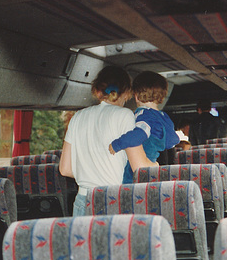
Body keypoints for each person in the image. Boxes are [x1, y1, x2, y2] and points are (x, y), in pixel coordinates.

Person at [59, 66, 156, 216]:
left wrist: (90, 173)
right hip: (111, 200)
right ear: (126, 93)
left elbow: (65, 168)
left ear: (98, 92)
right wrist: (156, 164)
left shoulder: (77, 117)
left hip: (82, 201)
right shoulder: (124, 115)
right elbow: (139, 166)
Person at [108, 71, 180, 183]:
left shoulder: (144, 115)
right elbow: (173, 140)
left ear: (136, 96)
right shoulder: (163, 117)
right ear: (161, 97)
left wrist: (117, 144)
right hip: (152, 165)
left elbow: (139, 134)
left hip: (136, 169)